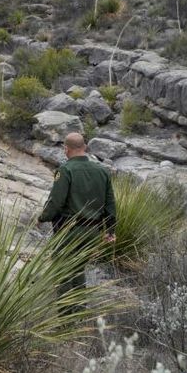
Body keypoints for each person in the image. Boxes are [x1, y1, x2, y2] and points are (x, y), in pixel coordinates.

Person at [38, 132, 116, 315]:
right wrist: (111, 230)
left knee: (64, 271)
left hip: (69, 231)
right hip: (93, 232)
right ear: (85, 148)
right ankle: (79, 312)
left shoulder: (66, 170)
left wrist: (42, 218)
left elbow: (55, 202)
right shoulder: (102, 171)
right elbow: (110, 204)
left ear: (66, 149)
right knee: (79, 268)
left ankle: (66, 319)